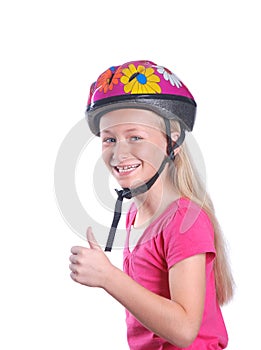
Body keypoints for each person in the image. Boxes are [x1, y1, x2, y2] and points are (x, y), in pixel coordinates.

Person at [69, 60, 234, 349]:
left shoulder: (185, 220)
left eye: (135, 137)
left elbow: (184, 330)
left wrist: (108, 277)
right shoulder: (136, 213)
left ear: (173, 142)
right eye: (109, 139)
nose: (120, 153)